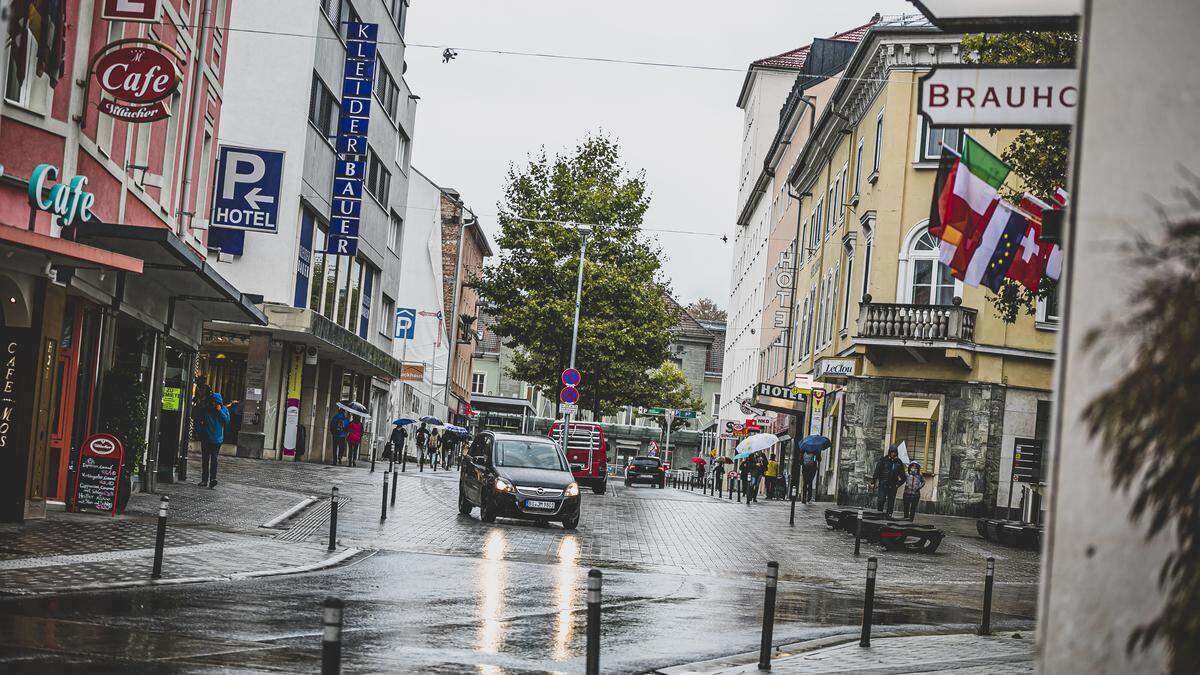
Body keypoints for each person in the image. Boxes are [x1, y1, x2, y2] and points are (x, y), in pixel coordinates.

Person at [196, 390, 229, 489]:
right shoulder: (207, 409)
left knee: (214, 459)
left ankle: (212, 479)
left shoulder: (224, 410)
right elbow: (199, 420)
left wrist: (220, 411)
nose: (214, 404)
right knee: (205, 460)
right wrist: (201, 432)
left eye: (216, 402)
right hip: (206, 438)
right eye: (213, 402)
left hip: (217, 439)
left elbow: (226, 421)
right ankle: (204, 480)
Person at [871, 445, 907, 517]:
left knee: (891, 502)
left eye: (895, 452)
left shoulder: (898, 462)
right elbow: (877, 472)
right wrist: (873, 482)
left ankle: (889, 516)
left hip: (893, 485)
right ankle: (879, 514)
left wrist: (898, 484)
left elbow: (903, 477)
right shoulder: (883, 460)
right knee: (881, 500)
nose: (893, 454)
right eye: (892, 452)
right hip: (883, 484)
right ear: (889, 452)